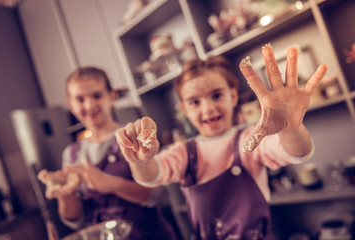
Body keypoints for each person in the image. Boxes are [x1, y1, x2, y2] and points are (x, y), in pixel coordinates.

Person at [115, 44, 328, 239]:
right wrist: (141, 162)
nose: (208, 109)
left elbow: (297, 152)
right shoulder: (183, 153)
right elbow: (152, 175)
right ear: (184, 110)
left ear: (233, 96)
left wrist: (291, 129)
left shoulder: (251, 140)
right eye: (195, 102)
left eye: (216, 96)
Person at [37, 66, 177, 240]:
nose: (89, 105)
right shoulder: (71, 154)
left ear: (111, 97)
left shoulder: (130, 137)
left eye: (96, 96)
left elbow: (161, 196)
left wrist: (111, 184)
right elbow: (75, 220)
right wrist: (65, 193)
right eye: (80, 99)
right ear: (71, 105)